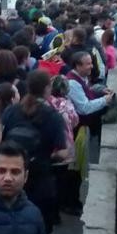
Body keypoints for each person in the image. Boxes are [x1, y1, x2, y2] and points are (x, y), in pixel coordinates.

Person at [0, 70, 68, 232]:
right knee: (39, 230)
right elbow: (63, 152)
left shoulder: (11, 111)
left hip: (12, 176)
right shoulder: (53, 116)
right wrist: (49, 156)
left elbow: (1, 139)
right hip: (40, 180)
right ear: (47, 89)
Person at [46, 76, 82, 216]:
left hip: (50, 146)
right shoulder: (67, 105)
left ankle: (53, 207)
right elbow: (75, 121)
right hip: (65, 146)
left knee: (52, 177)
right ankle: (62, 205)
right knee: (62, 177)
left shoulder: (46, 103)